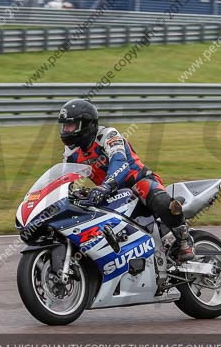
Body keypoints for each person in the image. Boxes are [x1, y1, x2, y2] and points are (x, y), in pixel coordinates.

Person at [58, 98, 194, 262]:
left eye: (70, 125)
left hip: (137, 182)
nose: (66, 130)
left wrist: (105, 186)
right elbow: (65, 176)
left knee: (158, 199)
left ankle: (184, 240)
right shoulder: (71, 151)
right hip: (110, 193)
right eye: (64, 125)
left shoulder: (108, 135)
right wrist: (64, 195)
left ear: (86, 124)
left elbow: (119, 163)